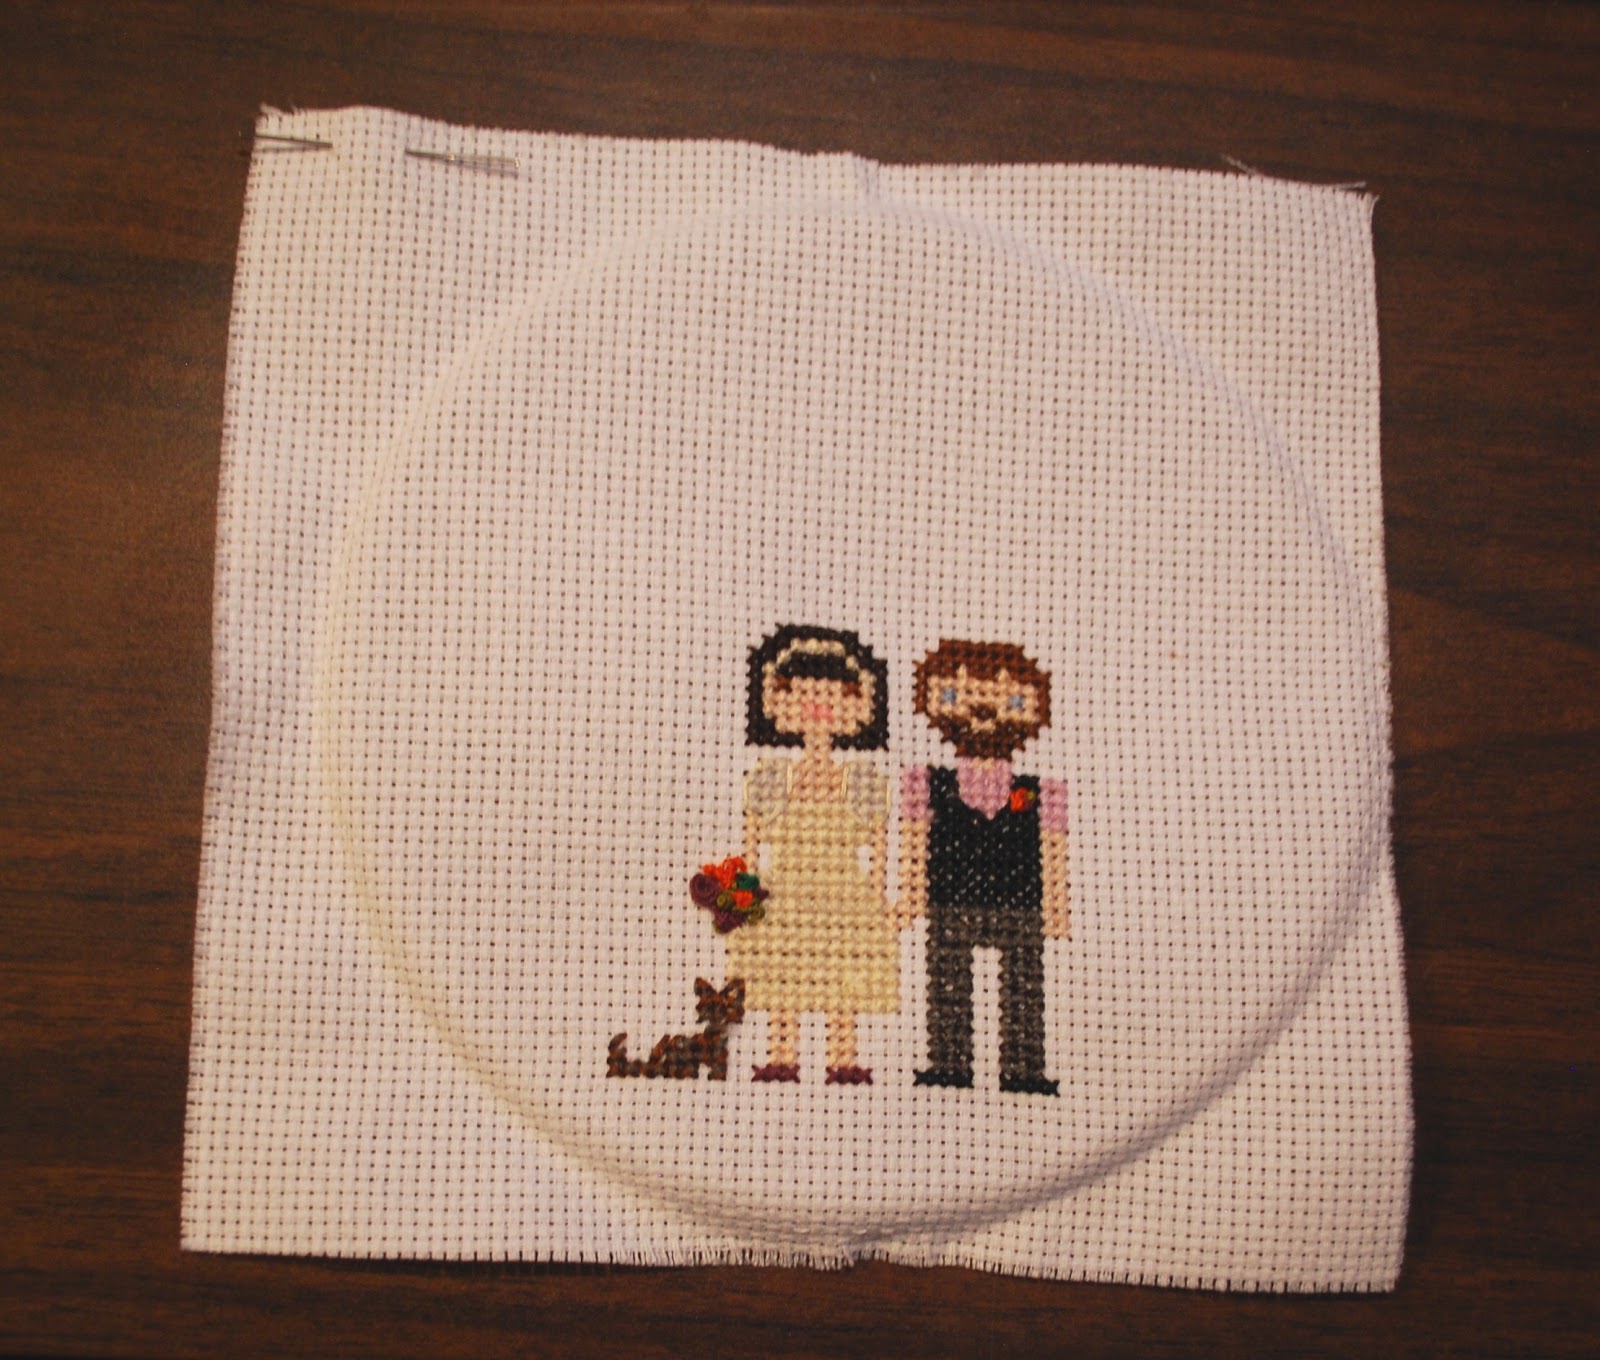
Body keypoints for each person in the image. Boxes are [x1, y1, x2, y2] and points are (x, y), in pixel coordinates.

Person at [896, 640, 1069, 1095]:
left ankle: (1024, 1068)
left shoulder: (1042, 791)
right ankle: (949, 1062)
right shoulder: (926, 783)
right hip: (949, 899)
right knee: (948, 982)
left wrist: (1056, 908)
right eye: (956, 694)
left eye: (1010, 699)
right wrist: (911, 896)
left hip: (1021, 904)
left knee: (1024, 987)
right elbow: (915, 840)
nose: (983, 708)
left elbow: (1053, 847)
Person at [731, 625, 896, 1084]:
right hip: (783, 892)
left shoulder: (861, 781)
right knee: (784, 973)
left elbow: (879, 845)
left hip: (844, 895)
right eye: (798, 691)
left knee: (843, 976)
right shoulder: (770, 778)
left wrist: (879, 896)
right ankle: (782, 1055)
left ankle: (843, 1058)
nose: (817, 704)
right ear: (772, 703)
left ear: (862, 708)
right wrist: (745, 891)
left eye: (837, 693)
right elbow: (752, 843)